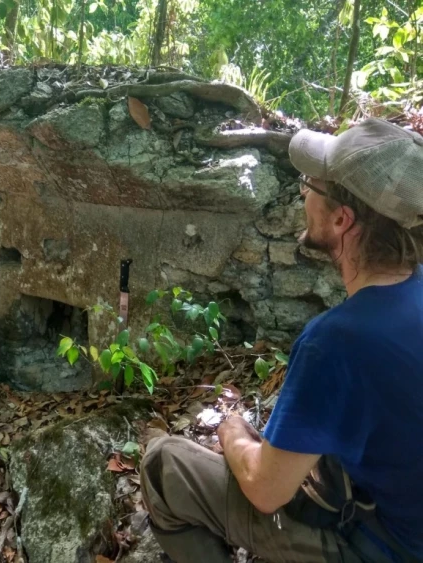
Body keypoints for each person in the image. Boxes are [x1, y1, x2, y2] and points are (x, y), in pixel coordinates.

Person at [140, 118, 423, 563]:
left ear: (342, 218)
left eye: (312, 185)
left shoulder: (335, 342)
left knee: (162, 463)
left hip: (383, 547)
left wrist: (231, 430)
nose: (303, 193)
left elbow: (265, 490)